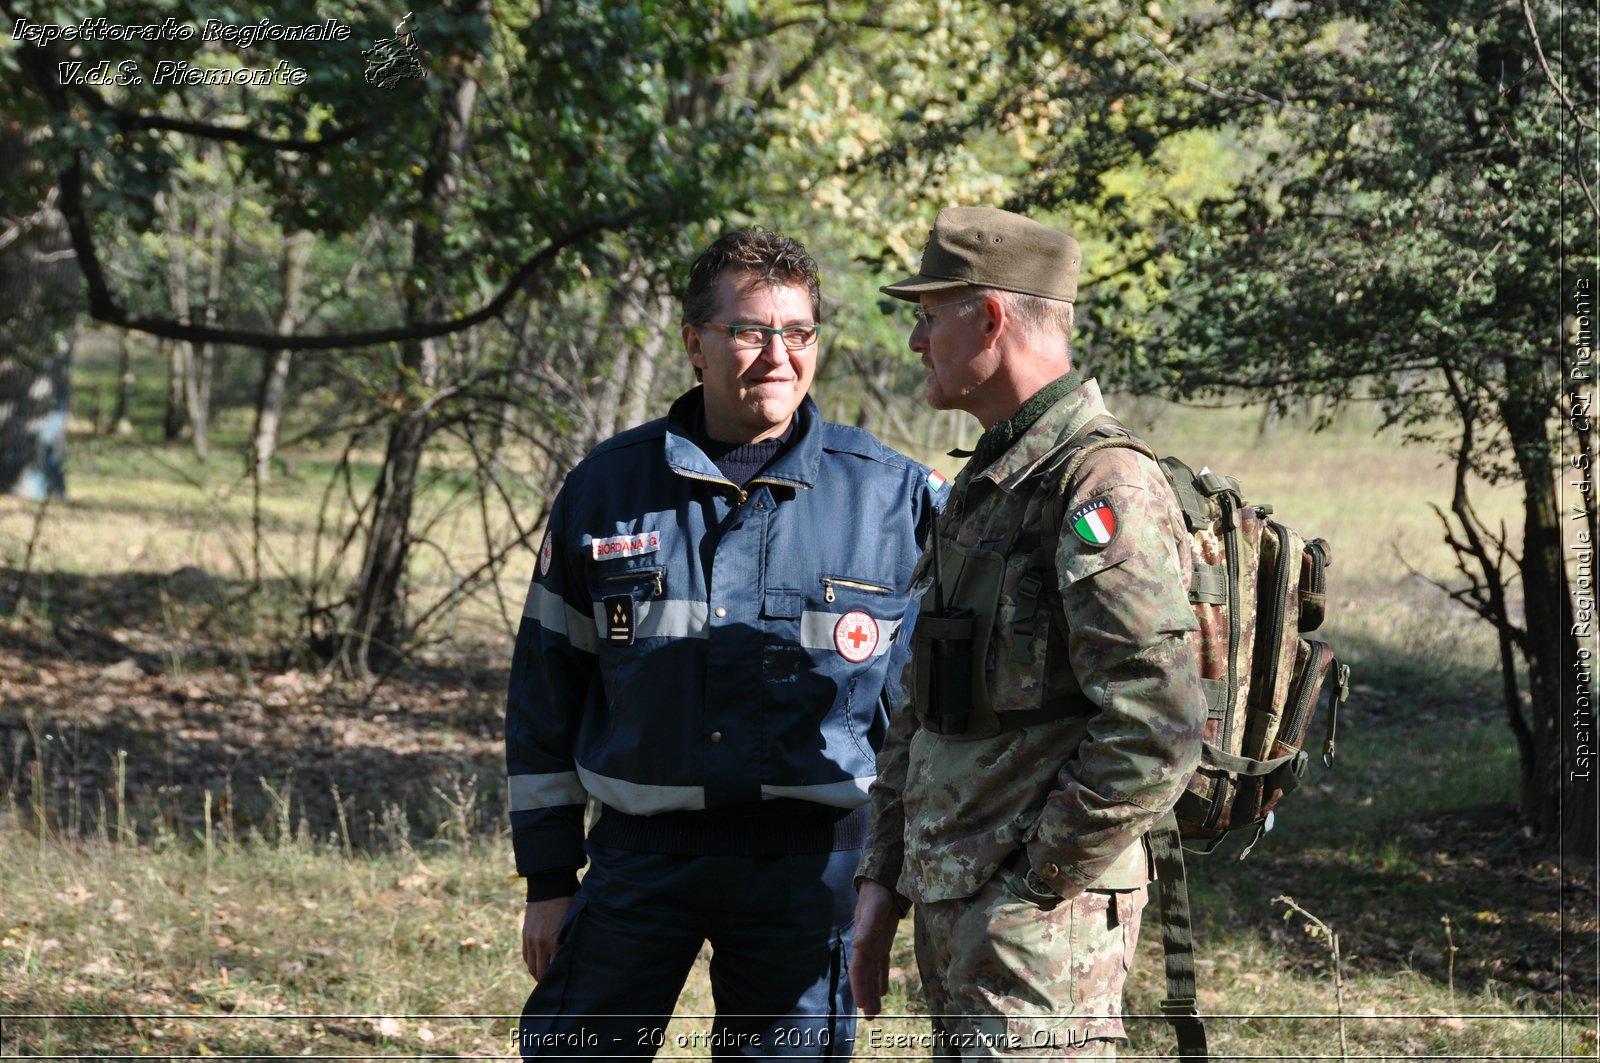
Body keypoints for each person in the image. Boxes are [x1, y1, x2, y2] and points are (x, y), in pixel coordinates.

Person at [505, 228, 944, 1059]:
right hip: (639, 865)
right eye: (750, 330)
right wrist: (550, 879)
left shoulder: (893, 499)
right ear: (694, 345)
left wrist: (890, 877)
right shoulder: (607, 488)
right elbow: (544, 693)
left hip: (810, 879)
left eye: (800, 333)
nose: (778, 355)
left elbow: (927, 714)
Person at [849, 207, 1205, 1058]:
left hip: (1038, 937)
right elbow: (924, 701)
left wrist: (1036, 881)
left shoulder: (1098, 483)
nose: (914, 340)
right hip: (963, 906)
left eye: (929, 315)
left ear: (992, 317)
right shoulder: (992, 478)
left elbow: (1157, 724)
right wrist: (882, 879)